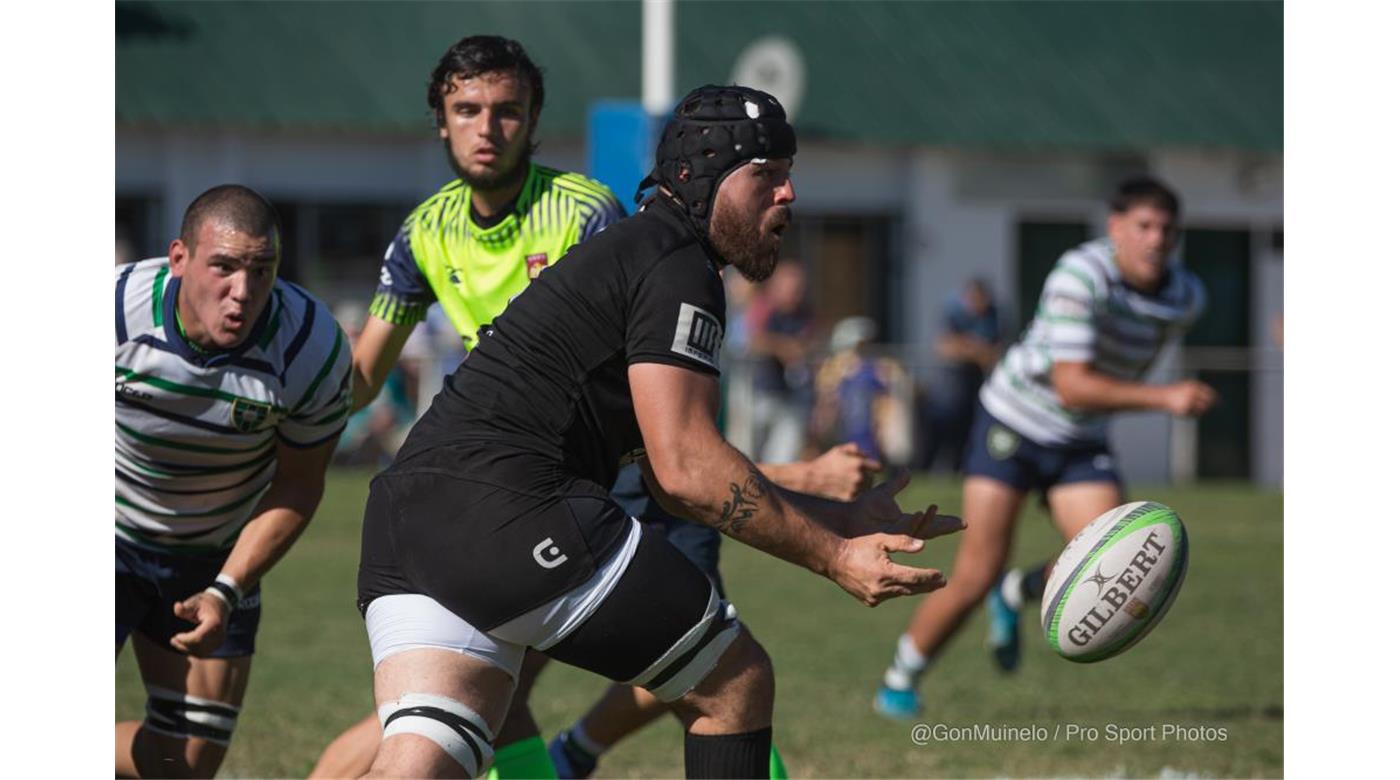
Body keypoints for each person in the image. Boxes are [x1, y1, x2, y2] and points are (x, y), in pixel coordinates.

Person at [354, 84, 962, 779]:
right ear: (698, 180)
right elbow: (688, 472)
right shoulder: (677, 264)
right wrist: (835, 555)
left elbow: (666, 471)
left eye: (789, 176)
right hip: (511, 512)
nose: (787, 196)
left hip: (403, 521)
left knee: (422, 756)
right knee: (735, 685)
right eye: (766, 176)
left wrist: (840, 515)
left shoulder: (631, 253)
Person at [874, 176, 1218, 720]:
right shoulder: (1081, 276)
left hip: (1082, 438)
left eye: (1168, 230)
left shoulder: (1185, 297)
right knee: (976, 570)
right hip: (1015, 422)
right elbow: (1072, 384)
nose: (1156, 240)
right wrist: (1164, 397)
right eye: (1144, 226)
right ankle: (901, 677)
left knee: (1118, 550)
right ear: (1115, 228)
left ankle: (1019, 591)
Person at [115, 185, 351, 776]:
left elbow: (298, 485)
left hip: (214, 554)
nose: (242, 292)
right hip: (107, 530)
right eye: (223, 267)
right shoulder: (113, 309)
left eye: (261, 271)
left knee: (182, 764)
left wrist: (226, 589)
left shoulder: (311, 349)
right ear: (179, 259)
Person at [923, 278, 1002, 471]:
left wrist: (966, 346)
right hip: (951, 384)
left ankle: (961, 468)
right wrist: (976, 349)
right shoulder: (954, 312)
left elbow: (993, 353)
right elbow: (945, 347)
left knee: (969, 432)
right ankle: (930, 470)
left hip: (975, 382)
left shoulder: (993, 314)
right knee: (942, 430)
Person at [745, 260, 817, 463]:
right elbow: (753, 340)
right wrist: (782, 348)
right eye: (792, 289)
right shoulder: (764, 308)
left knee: (783, 455)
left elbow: (810, 343)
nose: (797, 294)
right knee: (749, 452)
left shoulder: (805, 313)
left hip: (791, 396)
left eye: (800, 289)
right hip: (759, 393)